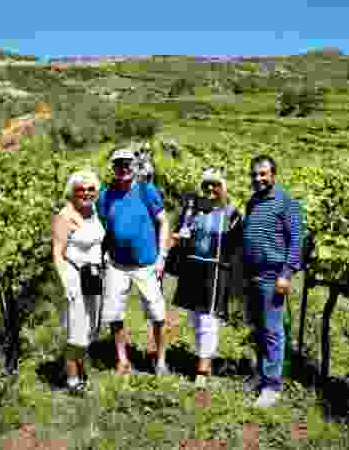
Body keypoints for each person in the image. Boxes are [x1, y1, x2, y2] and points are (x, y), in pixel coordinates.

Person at [98, 148, 172, 376]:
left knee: (158, 315)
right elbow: (102, 228)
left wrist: (162, 257)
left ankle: (160, 360)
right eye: (118, 164)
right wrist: (101, 255)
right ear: (113, 168)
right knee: (114, 314)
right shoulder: (105, 195)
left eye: (127, 163)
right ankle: (122, 359)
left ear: (133, 165)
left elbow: (164, 222)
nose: (123, 168)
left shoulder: (145, 191)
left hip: (146, 264)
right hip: (117, 264)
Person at [169, 168, 244, 386]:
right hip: (192, 266)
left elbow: (238, 247)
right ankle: (203, 357)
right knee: (194, 318)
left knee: (208, 319)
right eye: (206, 185)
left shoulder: (232, 214)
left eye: (215, 184)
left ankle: (202, 370)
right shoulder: (193, 210)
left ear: (224, 188)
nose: (210, 189)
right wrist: (179, 236)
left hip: (215, 269)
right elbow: (181, 234)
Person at [241, 154, 303, 408]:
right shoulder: (252, 202)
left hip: (272, 275)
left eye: (263, 174)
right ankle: (262, 375)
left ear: (273, 175)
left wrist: (286, 274)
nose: (258, 179)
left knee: (273, 331)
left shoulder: (286, 202)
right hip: (252, 274)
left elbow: (297, 239)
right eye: (254, 174)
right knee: (259, 328)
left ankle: (272, 386)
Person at [51, 169, 105, 395]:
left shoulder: (92, 211)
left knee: (90, 329)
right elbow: (57, 253)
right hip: (74, 278)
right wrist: (66, 284)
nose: (86, 193)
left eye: (91, 189)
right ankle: (72, 379)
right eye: (80, 189)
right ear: (71, 192)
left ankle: (78, 369)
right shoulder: (65, 216)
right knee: (76, 333)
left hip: (92, 277)